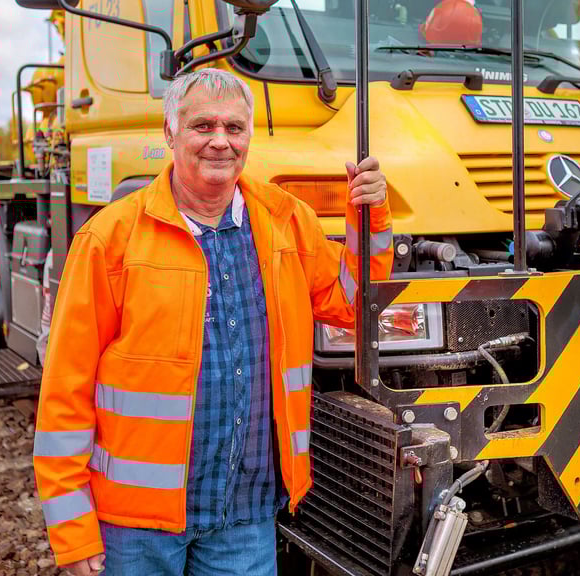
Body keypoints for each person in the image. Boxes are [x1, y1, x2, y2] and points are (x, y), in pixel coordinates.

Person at [32, 68, 393, 576]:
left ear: (248, 137)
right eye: (203, 126)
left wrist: (372, 218)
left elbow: (353, 306)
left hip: (244, 518)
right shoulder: (110, 239)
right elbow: (65, 389)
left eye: (234, 128)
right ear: (170, 133)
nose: (220, 141)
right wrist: (72, 531)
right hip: (135, 525)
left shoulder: (285, 222)